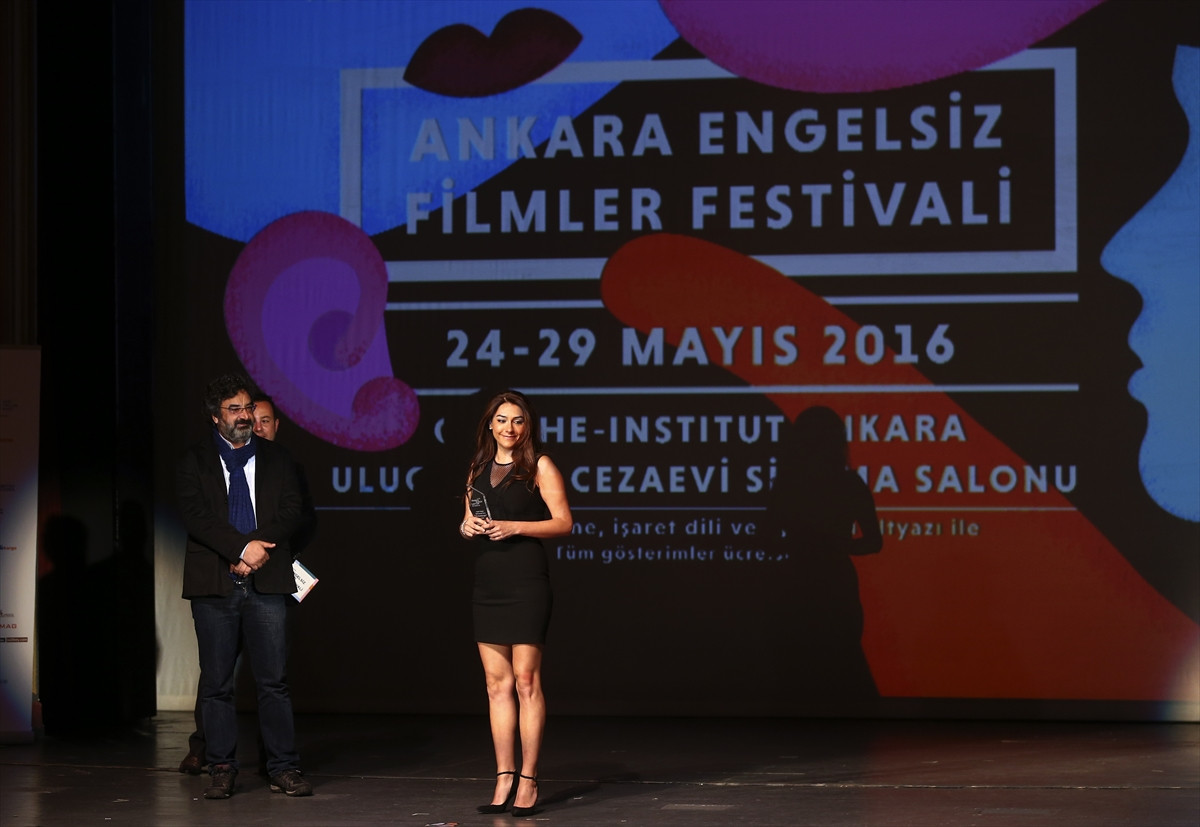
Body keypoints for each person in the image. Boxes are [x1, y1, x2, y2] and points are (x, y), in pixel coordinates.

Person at [176, 374, 313, 799]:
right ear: (215, 416)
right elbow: (195, 516)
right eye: (234, 409)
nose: (244, 416)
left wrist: (256, 549)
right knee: (217, 683)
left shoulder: (278, 458)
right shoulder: (194, 460)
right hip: (215, 582)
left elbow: (292, 510)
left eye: (248, 408)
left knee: (273, 681)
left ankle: (283, 767)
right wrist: (238, 548)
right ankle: (221, 766)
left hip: (267, 580)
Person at [458, 390, 572, 817]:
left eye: (518, 421)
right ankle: (503, 776)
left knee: (526, 682)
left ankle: (529, 778)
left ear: (527, 426)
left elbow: (564, 522)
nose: (510, 428)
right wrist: (467, 527)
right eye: (502, 420)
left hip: (526, 581)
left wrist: (515, 526)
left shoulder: (539, 465)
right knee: (496, 685)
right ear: (490, 424)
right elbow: (468, 517)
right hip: (488, 582)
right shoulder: (477, 467)